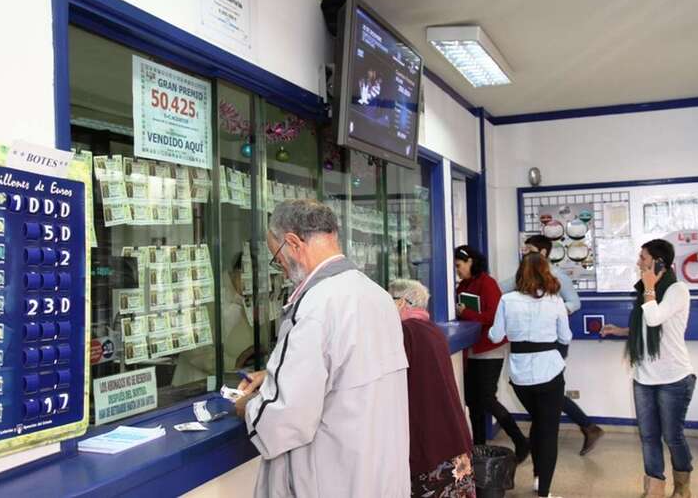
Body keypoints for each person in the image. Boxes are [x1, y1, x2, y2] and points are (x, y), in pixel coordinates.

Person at [234, 199, 410, 497]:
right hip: (377, 474)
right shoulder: (376, 294)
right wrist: (277, 371)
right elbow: (345, 368)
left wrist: (246, 407)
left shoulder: (316, 304)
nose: (280, 266)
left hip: (332, 478)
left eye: (276, 255)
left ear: (292, 242)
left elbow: (286, 416)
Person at [601, 239, 695, 498]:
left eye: (643, 258)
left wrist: (650, 288)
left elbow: (654, 318)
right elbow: (645, 327)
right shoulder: (646, 292)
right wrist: (620, 331)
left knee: (673, 437)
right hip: (643, 377)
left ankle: (683, 486)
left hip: (673, 377)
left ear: (659, 262)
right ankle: (654, 489)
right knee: (649, 437)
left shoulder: (677, 290)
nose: (639, 262)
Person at [500, 235, 605, 455]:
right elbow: (499, 289)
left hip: (552, 340)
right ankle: (586, 427)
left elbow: (574, 303)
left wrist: (551, 314)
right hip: (530, 345)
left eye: (528, 248)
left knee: (549, 390)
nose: (524, 251)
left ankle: (543, 440)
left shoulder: (558, 276)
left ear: (543, 253)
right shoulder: (523, 274)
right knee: (548, 392)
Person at [488, 252, 572, 498]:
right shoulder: (555, 301)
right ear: (546, 272)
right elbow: (565, 337)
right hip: (550, 374)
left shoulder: (507, 300)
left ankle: (537, 476)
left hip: (520, 377)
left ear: (520, 273)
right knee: (548, 430)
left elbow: (495, 335)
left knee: (539, 422)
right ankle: (543, 490)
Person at [390, 278, 476, 498]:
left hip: (432, 445)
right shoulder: (431, 329)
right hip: (453, 438)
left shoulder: (405, 332)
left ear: (401, 303)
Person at [455, 245, 530, 462]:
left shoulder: (487, 283)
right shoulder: (464, 285)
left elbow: (493, 316)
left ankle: (520, 440)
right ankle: (478, 449)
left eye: (459, 266)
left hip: (490, 347)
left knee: (486, 398)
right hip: (473, 348)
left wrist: (466, 312)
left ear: (470, 262)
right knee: (472, 399)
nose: (458, 270)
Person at [171, 253, 254, 385]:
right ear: (240, 272)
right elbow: (194, 348)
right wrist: (235, 363)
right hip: (196, 383)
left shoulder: (248, 298)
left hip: (233, 382)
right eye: (251, 279)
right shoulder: (208, 290)